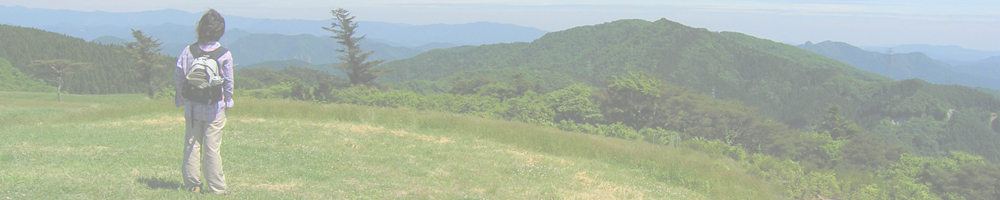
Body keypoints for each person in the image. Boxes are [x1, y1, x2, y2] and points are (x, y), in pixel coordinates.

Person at [174, 8, 233, 195]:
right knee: (212, 148)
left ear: (200, 28)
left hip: (192, 108)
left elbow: (179, 76)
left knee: (192, 144)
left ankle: (193, 185)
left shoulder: (189, 51)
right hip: (214, 108)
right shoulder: (224, 54)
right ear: (220, 31)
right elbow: (228, 82)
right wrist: (228, 101)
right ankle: (217, 188)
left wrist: (182, 98)